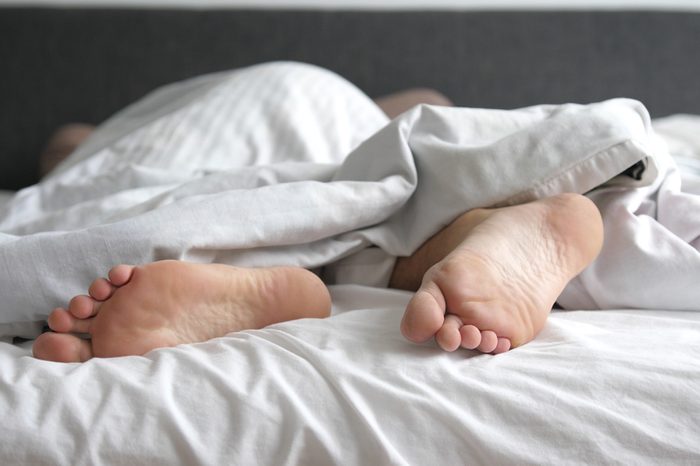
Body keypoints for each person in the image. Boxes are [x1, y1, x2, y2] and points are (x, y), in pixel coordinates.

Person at [29, 79, 604, 363]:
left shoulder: (107, 136)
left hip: (186, 151)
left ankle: (251, 259)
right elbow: (429, 112)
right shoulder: (366, 107)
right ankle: (479, 226)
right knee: (389, 194)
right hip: (336, 123)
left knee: (133, 191)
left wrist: (72, 151)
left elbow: (64, 156)